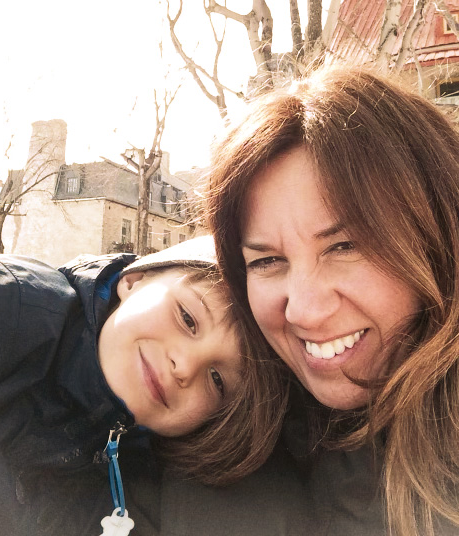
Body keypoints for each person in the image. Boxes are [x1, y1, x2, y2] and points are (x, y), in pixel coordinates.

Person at [179, 65, 459, 536]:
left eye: (345, 246)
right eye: (267, 261)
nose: (303, 312)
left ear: (437, 235)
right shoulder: (218, 426)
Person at [0, 235, 286, 536]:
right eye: (187, 318)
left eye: (217, 380)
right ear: (133, 280)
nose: (185, 366)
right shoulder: (6, 304)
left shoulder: (160, 488)